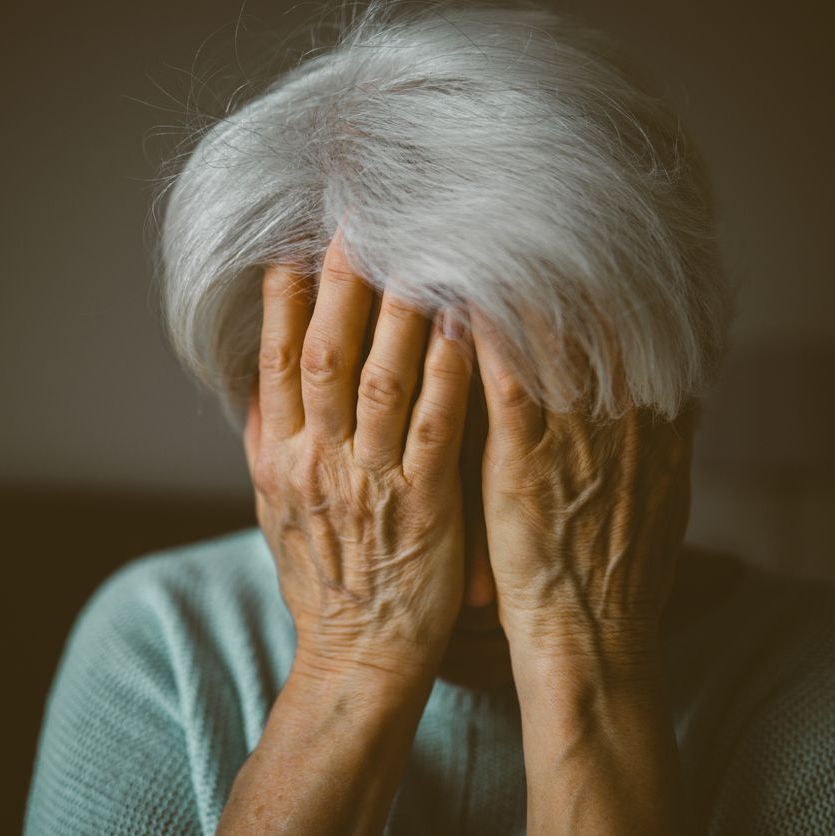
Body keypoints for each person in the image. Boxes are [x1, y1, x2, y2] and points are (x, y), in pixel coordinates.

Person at [25, 1, 835, 834]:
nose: (476, 590)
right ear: (263, 431)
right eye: (401, 476)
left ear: (675, 419)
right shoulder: (163, 640)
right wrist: (352, 658)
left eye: (535, 474)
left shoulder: (811, 676)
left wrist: (588, 662)